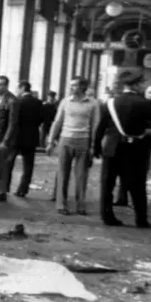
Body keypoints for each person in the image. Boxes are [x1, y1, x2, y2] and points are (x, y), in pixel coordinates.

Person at [95, 71, 151, 228]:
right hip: (134, 150)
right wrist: (150, 131)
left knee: (107, 184)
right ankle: (141, 219)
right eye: (142, 83)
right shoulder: (144, 104)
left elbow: (101, 128)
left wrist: (96, 147)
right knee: (137, 185)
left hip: (111, 148)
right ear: (136, 85)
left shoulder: (110, 103)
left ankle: (107, 217)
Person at [47, 76, 99, 216]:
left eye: (75, 85)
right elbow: (57, 121)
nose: (72, 88)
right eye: (71, 85)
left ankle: (81, 205)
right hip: (66, 139)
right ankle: (60, 204)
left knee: (81, 175)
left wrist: (93, 145)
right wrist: (51, 140)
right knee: (63, 173)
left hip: (84, 141)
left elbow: (95, 125)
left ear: (83, 86)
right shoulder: (65, 101)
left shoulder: (93, 103)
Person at [9, 81, 43, 197]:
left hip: (17, 137)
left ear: (22, 88)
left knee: (9, 163)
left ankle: (5, 188)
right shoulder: (38, 102)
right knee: (28, 165)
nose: (17, 91)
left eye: (17, 88)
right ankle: (22, 190)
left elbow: (13, 120)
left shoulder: (18, 102)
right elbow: (40, 120)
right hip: (31, 137)